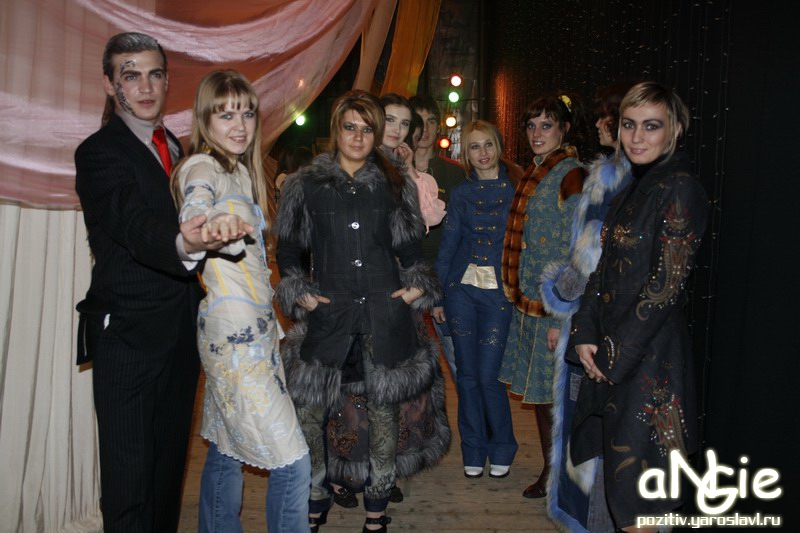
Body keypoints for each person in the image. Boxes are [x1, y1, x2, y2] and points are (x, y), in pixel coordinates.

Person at [74, 33, 250, 532]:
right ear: (109, 84)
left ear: (168, 80)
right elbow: (133, 225)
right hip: (127, 336)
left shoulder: (175, 146)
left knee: (168, 475)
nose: (146, 87)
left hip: (179, 333)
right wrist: (183, 242)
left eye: (154, 74)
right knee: (129, 483)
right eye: (130, 75)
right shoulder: (98, 152)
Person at [275, 90, 441, 533]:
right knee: (312, 411)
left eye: (367, 129)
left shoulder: (394, 182)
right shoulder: (305, 184)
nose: (358, 136)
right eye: (350, 127)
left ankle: (377, 508)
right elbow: (288, 248)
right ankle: (314, 495)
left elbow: (410, 247)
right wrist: (299, 290)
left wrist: (415, 286)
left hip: (383, 313)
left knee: (384, 410)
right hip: (329, 315)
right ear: (336, 129)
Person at [171, 70, 311, 533]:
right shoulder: (202, 167)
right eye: (226, 114)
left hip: (252, 332)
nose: (239, 125)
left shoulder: (242, 172)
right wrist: (205, 227)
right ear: (205, 119)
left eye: (247, 113)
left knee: (226, 449)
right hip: (234, 340)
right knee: (294, 461)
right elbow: (196, 205)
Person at [569, 82, 708, 531]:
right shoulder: (637, 186)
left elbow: (664, 289)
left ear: (676, 129)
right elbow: (602, 272)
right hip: (618, 359)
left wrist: (609, 358)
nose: (636, 137)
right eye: (629, 125)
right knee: (620, 493)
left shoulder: (680, 188)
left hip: (651, 366)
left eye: (651, 126)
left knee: (638, 499)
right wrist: (585, 334)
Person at [325, 93, 450, 511]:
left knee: (398, 390)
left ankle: (385, 469)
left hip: (398, 293)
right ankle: (344, 471)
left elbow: (421, 229)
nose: (396, 130)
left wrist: (408, 173)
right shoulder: (345, 165)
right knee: (349, 388)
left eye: (403, 123)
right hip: (351, 292)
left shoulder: (403, 174)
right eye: (389, 121)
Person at [541, 82, 635, 532]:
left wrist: (560, 299)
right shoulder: (629, 177)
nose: (598, 124)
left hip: (594, 323)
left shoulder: (610, 180)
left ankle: (593, 520)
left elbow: (588, 259)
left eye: (605, 117)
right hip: (617, 321)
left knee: (589, 429)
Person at [499, 92, 588, 499]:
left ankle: (561, 477)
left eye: (546, 125)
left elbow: (579, 250)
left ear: (564, 129)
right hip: (531, 304)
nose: (537, 133)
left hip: (553, 308)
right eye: (531, 126)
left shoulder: (571, 174)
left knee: (555, 399)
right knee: (542, 398)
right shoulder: (536, 171)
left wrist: (559, 316)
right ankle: (553, 471)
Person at [436, 120, 522, 478]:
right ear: (465, 154)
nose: (482, 153)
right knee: (467, 377)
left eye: (488, 144)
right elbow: (448, 246)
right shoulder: (461, 193)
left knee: (489, 377)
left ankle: (502, 445)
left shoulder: (517, 191)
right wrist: (439, 296)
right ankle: (473, 449)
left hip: (499, 296)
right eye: (474, 146)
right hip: (461, 293)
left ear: (498, 146)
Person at [409, 93, 467, 382]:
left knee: (458, 358)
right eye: (419, 121)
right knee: (408, 361)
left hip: (445, 275)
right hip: (405, 274)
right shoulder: (393, 172)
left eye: (431, 121)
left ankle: (471, 411)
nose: (425, 129)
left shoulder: (454, 173)